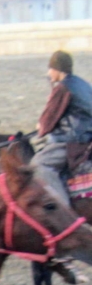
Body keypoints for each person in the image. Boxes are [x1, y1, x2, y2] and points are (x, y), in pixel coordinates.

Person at [33, 50, 92, 201]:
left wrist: (40, 127)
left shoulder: (62, 88)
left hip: (72, 140)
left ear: (57, 69)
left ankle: (62, 205)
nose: (48, 73)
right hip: (87, 137)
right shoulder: (83, 84)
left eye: (50, 69)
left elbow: (47, 120)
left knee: (39, 164)